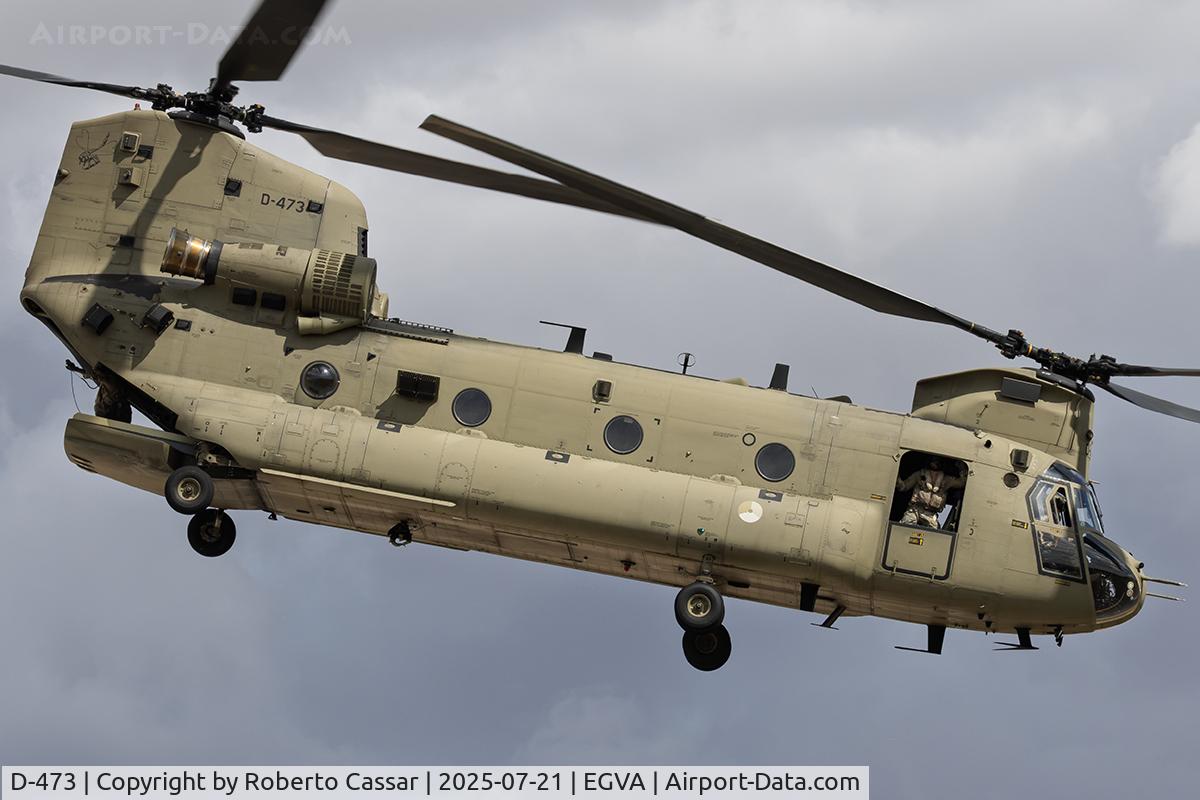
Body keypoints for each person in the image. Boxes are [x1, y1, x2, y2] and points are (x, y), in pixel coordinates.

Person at [896, 458, 966, 528]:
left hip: (931, 514)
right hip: (914, 510)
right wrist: (897, 478)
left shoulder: (946, 479)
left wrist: (962, 468)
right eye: (933, 460)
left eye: (937, 461)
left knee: (934, 533)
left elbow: (961, 483)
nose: (935, 463)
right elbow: (904, 487)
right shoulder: (919, 475)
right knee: (904, 526)